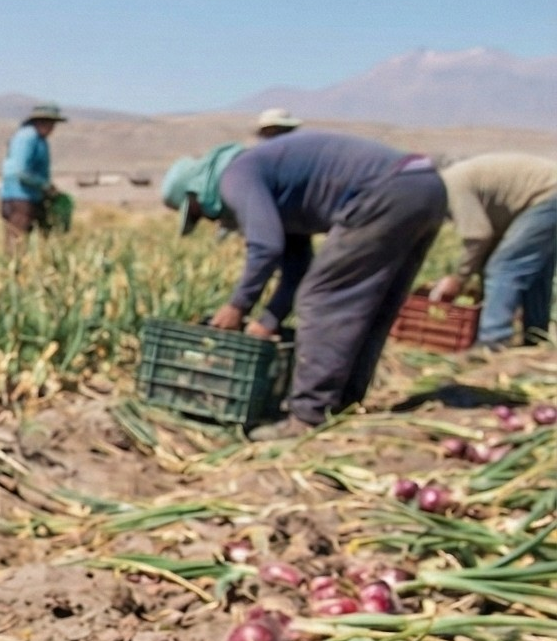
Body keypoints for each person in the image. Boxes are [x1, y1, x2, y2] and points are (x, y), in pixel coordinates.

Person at [159, 130, 447, 431]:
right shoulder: (267, 180)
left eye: (196, 212)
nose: (209, 218)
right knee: (373, 304)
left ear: (196, 191)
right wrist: (268, 321)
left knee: (323, 299)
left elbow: (265, 246)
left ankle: (308, 416)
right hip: (424, 187)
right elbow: (296, 268)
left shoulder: (235, 176)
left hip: (386, 190)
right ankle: (343, 404)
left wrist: (238, 306)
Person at [432, 152, 557, 349]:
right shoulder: (456, 179)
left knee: (503, 268)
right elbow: (491, 233)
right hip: (545, 194)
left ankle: (493, 341)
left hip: (547, 196)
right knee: (535, 272)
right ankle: (535, 336)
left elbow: (477, 235)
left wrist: (459, 278)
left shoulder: (451, 185)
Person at [0, 103, 67, 250]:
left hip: (31, 196)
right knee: (17, 238)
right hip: (20, 197)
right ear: (40, 122)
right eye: (50, 123)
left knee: (35, 236)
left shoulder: (39, 139)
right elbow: (20, 171)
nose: (52, 128)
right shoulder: (27, 138)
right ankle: (14, 268)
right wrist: (44, 185)